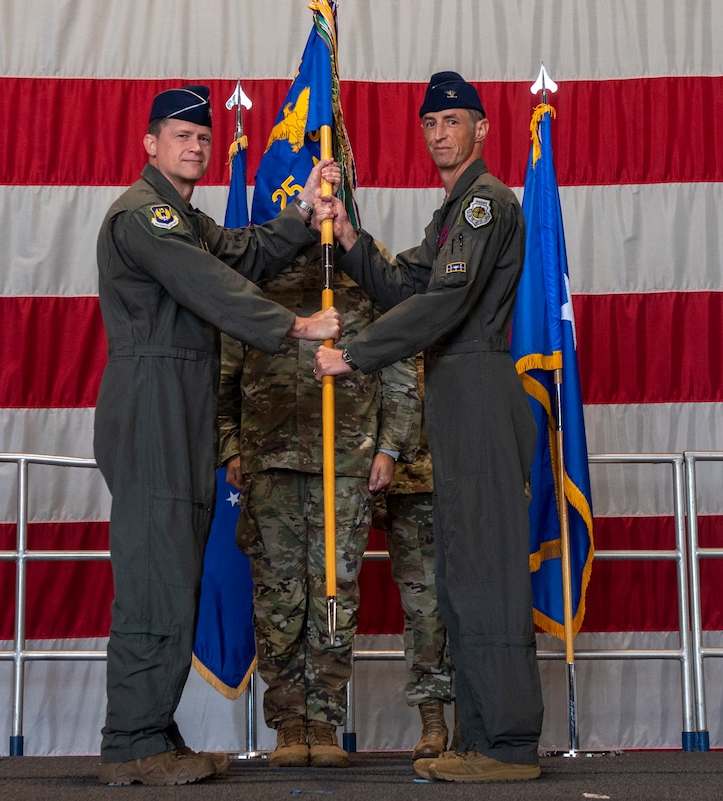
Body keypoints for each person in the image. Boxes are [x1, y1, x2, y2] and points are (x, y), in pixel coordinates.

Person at [93, 84, 343, 787]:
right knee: (154, 576)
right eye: (180, 135)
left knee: (172, 572)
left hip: (179, 404)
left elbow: (242, 250)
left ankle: (150, 727)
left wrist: (302, 214)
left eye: (202, 137)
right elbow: (210, 281)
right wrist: (293, 326)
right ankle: (132, 740)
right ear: (149, 143)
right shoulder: (144, 216)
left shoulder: (184, 218)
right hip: (150, 406)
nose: (196, 146)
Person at [313, 71, 543, 782]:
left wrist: (354, 353)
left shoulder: (484, 206)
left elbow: (441, 302)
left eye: (453, 121)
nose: (440, 134)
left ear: (482, 130)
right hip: (455, 392)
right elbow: (404, 282)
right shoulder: (451, 212)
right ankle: (481, 735)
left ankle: (504, 743)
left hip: (477, 383)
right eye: (431, 124)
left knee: (487, 573)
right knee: (461, 576)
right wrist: (348, 238)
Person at [217, 243, 417, 769]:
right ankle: (288, 723)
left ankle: (324, 719)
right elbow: (223, 375)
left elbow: (399, 363)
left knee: (335, 593)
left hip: (345, 463)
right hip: (272, 462)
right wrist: (230, 444)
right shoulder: (257, 282)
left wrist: (390, 446)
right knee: (278, 600)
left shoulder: (368, 278)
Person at [373, 357, 455, 761]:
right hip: (409, 492)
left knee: (474, 609)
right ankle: (433, 721)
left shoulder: (468, 330)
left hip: (468, 489)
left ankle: (477, 720)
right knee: (424, 614)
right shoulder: (390, 334)